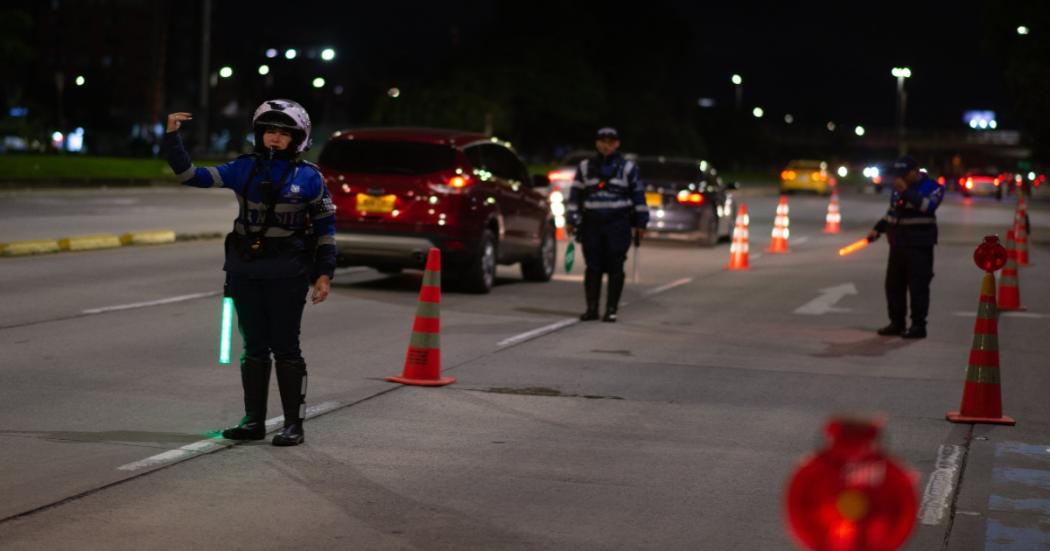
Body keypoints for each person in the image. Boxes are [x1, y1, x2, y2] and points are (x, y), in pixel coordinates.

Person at [163, 99, 337, 446]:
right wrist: (171, 138)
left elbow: (325, 229)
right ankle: (253, 421)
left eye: (284, 133)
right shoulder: (242, 168)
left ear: (297, 138)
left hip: (288, 273)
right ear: (259, 134)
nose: (275, 138)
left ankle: (293, 425)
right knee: (253, 348)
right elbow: (189, 176)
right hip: (246, 271)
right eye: (270, 131)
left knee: (286, 348)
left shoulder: (310, 177)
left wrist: (324, 274)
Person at [565, 127, 649, 322]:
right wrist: (572, 219)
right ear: (597, 143)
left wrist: (641, 223)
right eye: (602, 141)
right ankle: (592, 308)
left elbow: (638, 196)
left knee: (615, 265)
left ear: (617, 144)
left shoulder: (628, 168)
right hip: (592, 223)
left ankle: (611, 309)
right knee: (592, 266)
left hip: (618, 223)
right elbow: (575, 195)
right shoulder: (585, 167)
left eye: (610, 141)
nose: (606, 145)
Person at [868, 155, 944, 339]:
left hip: (919, 245)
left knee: (918, 287)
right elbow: (893, 212)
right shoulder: (898, 188)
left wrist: (907, 191)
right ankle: (897, 323)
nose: (899, 177)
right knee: (893, 286)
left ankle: (918, 326)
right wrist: (878, 229)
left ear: (915, 171)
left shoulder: (932, 187)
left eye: (904, 173)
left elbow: (928, 207)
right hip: (897, 244)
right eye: (897, 174)